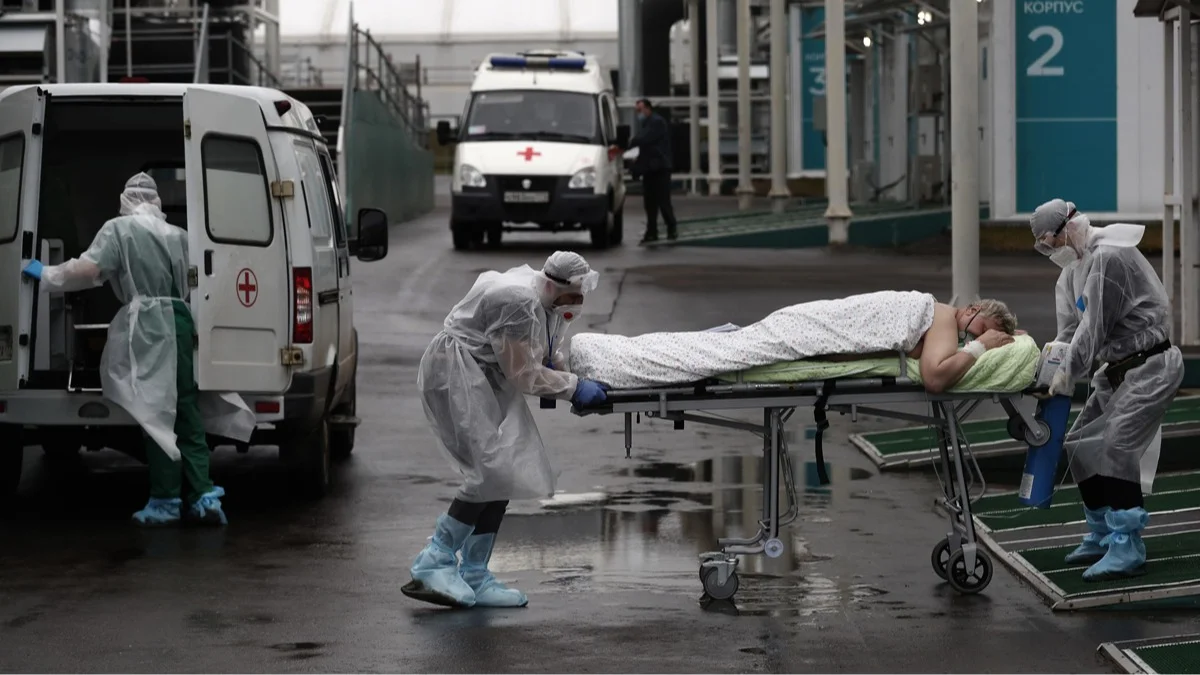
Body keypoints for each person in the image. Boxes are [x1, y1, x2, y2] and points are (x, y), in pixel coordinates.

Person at [21, 172, 254, 527]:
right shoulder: (179, 235)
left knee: (155, 413)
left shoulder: (119, 230)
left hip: (148, 327)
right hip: (180, 321)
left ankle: (166, 501)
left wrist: (48, 274)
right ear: (156, 201)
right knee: (187, 412)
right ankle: (203, 495)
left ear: (125, 201)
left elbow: (88, 270)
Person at [402, 251, 607, 609]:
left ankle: (475, 573)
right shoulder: (516, 301)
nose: (576, 305)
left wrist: (569, 376)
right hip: (456, 374)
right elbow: (524, 373)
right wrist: (574, 388)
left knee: (503, 475)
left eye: (580, 298)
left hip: (485, 377)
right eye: (572, 297)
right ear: (552, 285)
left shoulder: (548, 304)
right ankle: (435, 560)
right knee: (488, 472)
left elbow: (544, 354)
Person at [1030, 198, 1184, 582]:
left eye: (1051, 242)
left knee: (1116, 445)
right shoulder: (1072, 272)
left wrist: (1064, 378)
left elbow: (1092, 331)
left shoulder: (1109, 257)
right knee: (1080, 442)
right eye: (1044, 247)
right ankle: (1101, 533)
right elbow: (1068, 333)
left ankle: (1127, 545)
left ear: (1068, 227)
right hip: (1116, 370)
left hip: (1150, 365)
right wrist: (1046, 370)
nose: (1052, 251)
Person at [569, 291, 1020, 393]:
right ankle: (598, 358)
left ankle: (600, 353)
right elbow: (937, 379)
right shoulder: (942, 317)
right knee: (710, 357)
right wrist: (981, 349)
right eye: (978, 328)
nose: (971, 337)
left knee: (714, 351)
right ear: (972, 310)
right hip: (810, 330)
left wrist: (989, 340)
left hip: (808, 324)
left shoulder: (938, 316)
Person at [609, 98, 678, 243]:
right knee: (650, 203)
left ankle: (671, 228)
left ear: (648, 108)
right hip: (651, 169)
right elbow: (645, 147)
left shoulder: (656, 122)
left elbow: (642, 140)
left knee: (662, 201)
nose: (638, 114)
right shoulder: (648, 123)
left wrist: (624, 146)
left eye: (640, 110)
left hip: (660, 169)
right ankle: (652, 231)